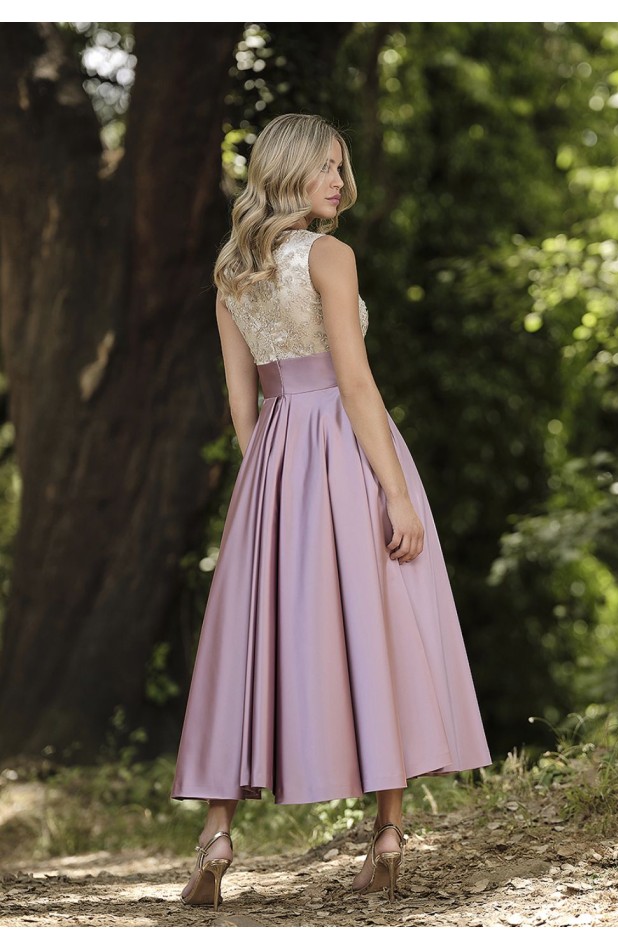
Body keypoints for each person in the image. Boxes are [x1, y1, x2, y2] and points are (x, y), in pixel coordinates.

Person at [171, 112, 492, 910]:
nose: (341, 183)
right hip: (348, 453)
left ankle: (216, 834)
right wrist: (393, 492)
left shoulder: (231, 271)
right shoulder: (329, 254)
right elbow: (355, 383)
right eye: (327, 168)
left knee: (257, 641)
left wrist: (268, 491)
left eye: (343, 169)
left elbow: (241, 403)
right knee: (378, 620)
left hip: (276, 463)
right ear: (287, 171)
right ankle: (387, 833)